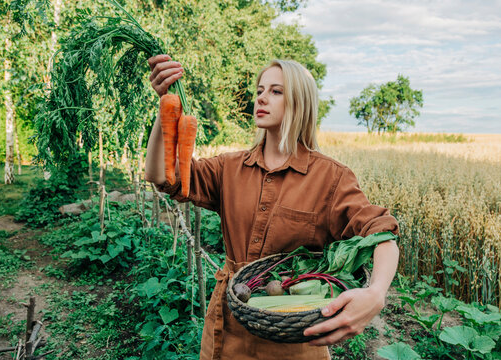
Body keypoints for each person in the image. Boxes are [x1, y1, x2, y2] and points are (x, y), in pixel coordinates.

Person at [144, 55, 400, 360]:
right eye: (260, 91)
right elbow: (161, 176)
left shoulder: (330, 178)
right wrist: (165, 106)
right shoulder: (230, 167)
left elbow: (382, 234)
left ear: (299, 102)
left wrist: (376, 293)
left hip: (293, 338)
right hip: (228, 326)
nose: (262, 98)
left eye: (276, 91)